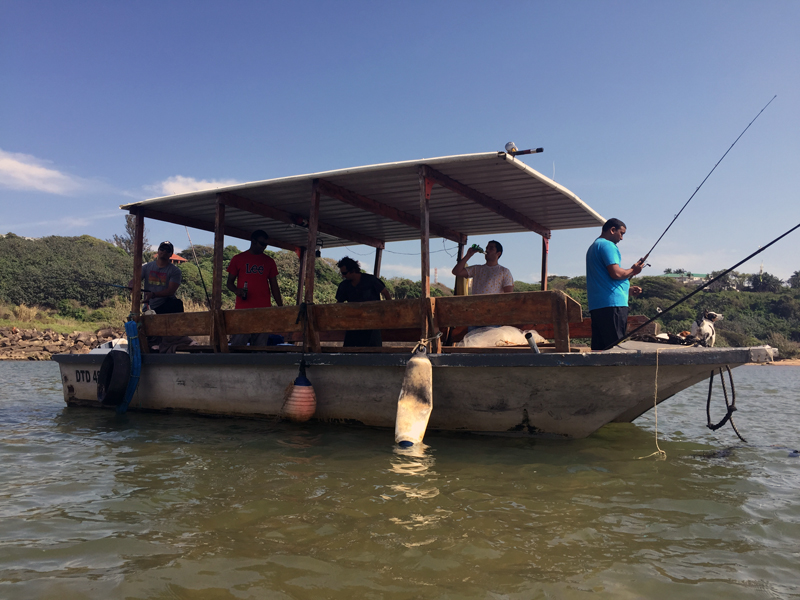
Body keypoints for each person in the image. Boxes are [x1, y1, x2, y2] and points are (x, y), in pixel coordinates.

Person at [586, 218, 645, 350]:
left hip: (597, 305)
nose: (622, 238)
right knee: (615, 349)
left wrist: (627, 290)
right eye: (621, 233)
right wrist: (633, 271)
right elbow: (616, 273)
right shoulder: (608, 245)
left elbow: (604, 279)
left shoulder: (593, 247)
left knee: (599, 350)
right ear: (612, 230)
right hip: (613, 306)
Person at [226, 230, 284, 347]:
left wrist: (280, 307)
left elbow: (274, 286)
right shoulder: (238, 259)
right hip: (243, 310)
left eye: (266, 245)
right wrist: (237, 290)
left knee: (260, 347)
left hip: (263, 310)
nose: (264, 247)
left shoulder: (269, 261)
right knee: (238, 345)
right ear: (253, 241)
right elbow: (229, 283)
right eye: (262, 244)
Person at [335, 256, 392, 347]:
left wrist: (388, 310)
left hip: (372, 323)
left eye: (345, 273)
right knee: (350, 352)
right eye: (342, 273)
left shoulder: (370, 280)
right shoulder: (344, 285)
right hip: (353, 324)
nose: (343, 276)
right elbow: (338, 304)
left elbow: (385, 293)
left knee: (373, 352)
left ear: (353, 270)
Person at [131, 241, 184, 314]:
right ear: (158, 251)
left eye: (168, 250)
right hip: (149, 306)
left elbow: (171, 291)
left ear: (171, 254)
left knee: (177, 303)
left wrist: (153, 294)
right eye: (162, 249)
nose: (164, 251)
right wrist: (131, 286)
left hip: (166, 305)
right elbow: (135, 280)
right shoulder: (146, 267)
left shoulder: (175, 271)